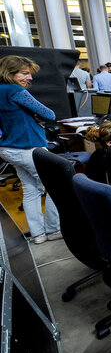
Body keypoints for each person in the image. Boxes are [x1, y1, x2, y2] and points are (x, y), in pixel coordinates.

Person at [0, 55, 61, 245]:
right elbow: (49, 114)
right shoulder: (16, 91)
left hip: (9, 148)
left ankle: (38, 234)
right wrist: (36, 114)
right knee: (55, 186)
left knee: (31, 190)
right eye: (24, 73)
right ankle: (53, 229)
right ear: (10, 73)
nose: (30, 78)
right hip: (29, 148)